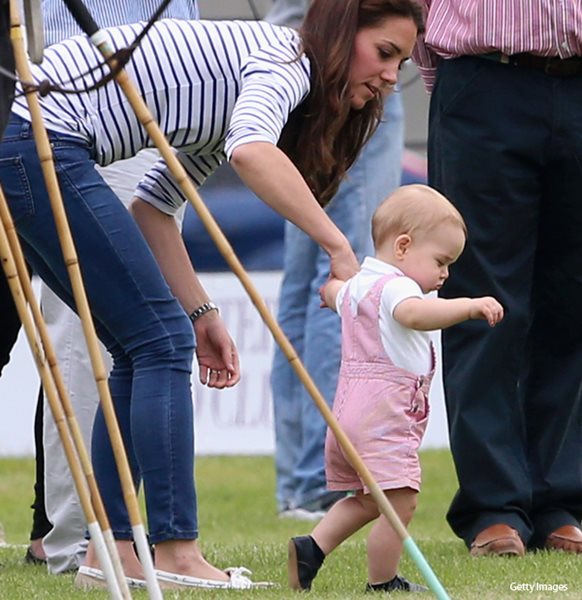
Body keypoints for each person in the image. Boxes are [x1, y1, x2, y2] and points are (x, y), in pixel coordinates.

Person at [0, 0, 422, 589]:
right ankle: (174, 551)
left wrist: (203, 313)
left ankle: (109, 554)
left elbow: (154, 209)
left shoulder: (227, 98)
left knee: (144, 343)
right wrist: (339, 247)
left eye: (399, 62)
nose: (388, 74)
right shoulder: (287, 59)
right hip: (45, 142)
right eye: (384, 53)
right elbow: (253, 152)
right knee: (158, 342)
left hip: (33, 146)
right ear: (340, 35)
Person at [33, 0, 200, 575]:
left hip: (161, 98)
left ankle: (111, 545)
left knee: (134, 342)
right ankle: (88, 543)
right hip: (92, 95)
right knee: (98, 342)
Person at [412, 1, 582, 556]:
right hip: (486, 78)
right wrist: (452, 70)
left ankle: (561, 502)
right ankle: (494, 506)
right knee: (480, 301)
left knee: (572, 306)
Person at [288, 184, 504, 593]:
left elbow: (334, 293)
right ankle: (382, 582)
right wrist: (470, 306)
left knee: (371, 499)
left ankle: (311, 547)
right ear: (403, 246)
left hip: (349, 413)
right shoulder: (399, 287)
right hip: (383, 416)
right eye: (441, 261)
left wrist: (330, 292)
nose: (445, 274)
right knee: (400, 502)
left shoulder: (360, 285)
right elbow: (415, 314)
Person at [266, 0, 407, 521]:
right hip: (339, 54)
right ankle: (323, 479)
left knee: (306, 286)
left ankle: (302, 480)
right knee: (345, 277)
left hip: (301, 45)